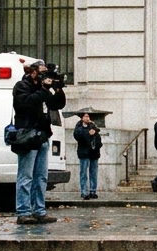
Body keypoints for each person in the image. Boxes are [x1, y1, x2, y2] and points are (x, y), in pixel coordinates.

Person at [11, 60, 66, 225]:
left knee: (41, 177)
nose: (44, 76)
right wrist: (43, 89)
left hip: (42, 137)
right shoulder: (21, 86)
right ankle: (23, 212)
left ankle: (39, 211)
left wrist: (58, 88)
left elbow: (57, 104)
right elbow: (25, 103)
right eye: (41, 73)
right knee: (26, 176)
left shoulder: (43, 89)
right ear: (33, 72)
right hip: (27, 136)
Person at [73, 113, 102, 200]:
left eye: (88, 116)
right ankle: (84, 192)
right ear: (82, 118)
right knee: (83, 173)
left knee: (93, 172)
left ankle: (93, 191)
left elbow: (98, 139)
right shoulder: (78, 127)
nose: (87, 118)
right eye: (85, 116)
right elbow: (77, 135)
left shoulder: (93, 126)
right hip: (84, 153)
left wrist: (95, 134)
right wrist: (88, 133)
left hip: (93, 153)